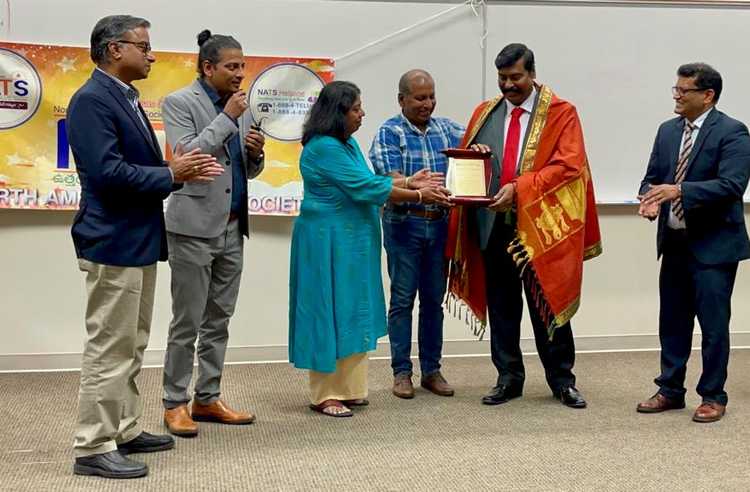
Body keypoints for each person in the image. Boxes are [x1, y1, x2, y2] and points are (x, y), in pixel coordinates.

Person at [67, 15, 222, 478]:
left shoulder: (125, 97)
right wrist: (172, 173)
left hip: (136, 239)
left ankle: (124, 428)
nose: (152, 55)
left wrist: (174, 172)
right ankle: (93, 446)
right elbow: (106, 174)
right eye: (144, 46)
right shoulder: (92, 100)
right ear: (115, 49)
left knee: (131, 345)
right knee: (109, 348)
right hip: (112, 240)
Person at [445, 43, 601, 409]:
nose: (508, 85)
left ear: (532, 74)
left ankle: (562, 381)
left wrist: (519, 189)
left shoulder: (561, 113)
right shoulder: (485, 112)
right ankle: (508, 379)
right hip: (493, 226)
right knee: (502, 308)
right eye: (502, 78)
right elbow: (472, 167)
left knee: (548, 307)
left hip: (542, 231)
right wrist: (478, 158)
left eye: (515, 77)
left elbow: (569, 166)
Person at [288, 81, 451, 417]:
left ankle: (349, 389)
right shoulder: (323, 147)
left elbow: (370, 178)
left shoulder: (346, 144)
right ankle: (325, 394)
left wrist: (409, 181)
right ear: (338, 113)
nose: (362, 113)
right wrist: (419, 194)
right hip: (327, 243)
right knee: (330, 310)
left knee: (353, 310)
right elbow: (364, 186)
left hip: (352, 244)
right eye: (356, 108)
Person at [160, 30, 265, 437]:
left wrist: (255, 153)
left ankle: (207, 397)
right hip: (192, 228)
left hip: (233, 228)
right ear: (208, 67)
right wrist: (228, 119)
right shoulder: (179, 102)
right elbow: (187, 155)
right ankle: (174, 402)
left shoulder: (240, 107)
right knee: (187, 322)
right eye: (231, 66)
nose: (240, 74)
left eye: (243, 66)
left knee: (219, 320)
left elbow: (245, 170)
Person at [636, 63, 750, 423]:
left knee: (713, 326)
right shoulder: (667, 131)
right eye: (676, 89)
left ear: (708, 95)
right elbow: (651, 179)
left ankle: (713, 396)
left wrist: (680, 190)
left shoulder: (732, 132)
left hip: (714, 246)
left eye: (684, 91)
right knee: (672, 321)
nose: (677, 96)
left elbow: (732, 185)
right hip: (674, 242)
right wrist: (649, 199)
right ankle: (670, 390)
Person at [369, 70, 465, 399]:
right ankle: (401, 372)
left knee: (434, 302)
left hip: (439, 224)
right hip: (404, 224)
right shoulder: (389, 132)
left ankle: (432, 370)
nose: (428, 104)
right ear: (402, 100)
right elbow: (389, 181)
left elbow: (475, 150)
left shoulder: (447, 129)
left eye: (431, 96)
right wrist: (417, 189)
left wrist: (479, 147)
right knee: (402, 300)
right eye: (420, 98)